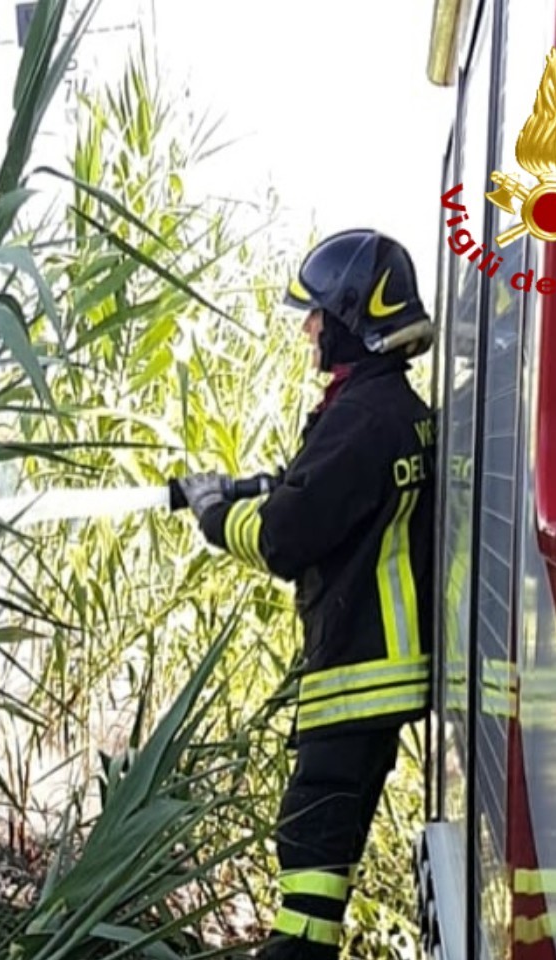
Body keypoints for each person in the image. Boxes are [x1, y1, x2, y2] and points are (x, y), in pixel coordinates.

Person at [174, 229, 438, 959]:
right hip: (378, 672)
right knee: (319, 849)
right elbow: (327, 494)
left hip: (359, 672)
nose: (308, 330)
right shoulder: (391, 410)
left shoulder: (361, 419)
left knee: (312, 842)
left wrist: (214, 514)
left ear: (352, 315)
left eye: (316, 314)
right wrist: (263, 485)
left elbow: (284, 538)